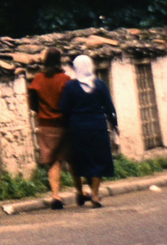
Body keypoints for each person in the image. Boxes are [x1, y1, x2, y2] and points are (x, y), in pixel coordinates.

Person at [59, 54, 118, 208]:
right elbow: (109, 106)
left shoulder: (70, 86)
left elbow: (63, 108)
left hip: (77, 128)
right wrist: (114, 124)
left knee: (83, 159)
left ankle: (85, 190)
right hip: (97, 126)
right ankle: (96, 194)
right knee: (98, 159)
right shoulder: (99, 84)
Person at [26, 47, 79, 209]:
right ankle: (79, 191)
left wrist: (42, 110)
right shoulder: (65, 79)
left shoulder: (38, 79)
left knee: (53, 162)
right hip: (65, 124)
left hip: (46, 125)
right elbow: (72, 101)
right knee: (71, 160)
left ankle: (55, 195)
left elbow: (32, 103)